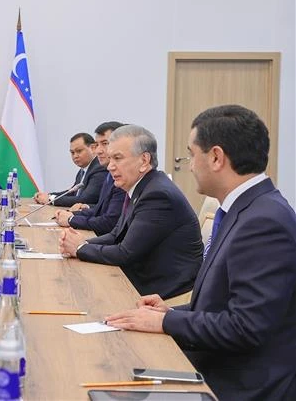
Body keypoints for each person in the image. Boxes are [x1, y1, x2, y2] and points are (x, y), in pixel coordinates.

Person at [105, 105, 296, 400]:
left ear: (216, 157)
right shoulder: (244, 209)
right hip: (216, 362)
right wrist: (170, 312)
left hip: (238, 383)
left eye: (192, 154)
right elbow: (225, 306)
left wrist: (166, 322)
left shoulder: (264, 221)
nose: (190, 165)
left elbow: (246, 327)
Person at [59, 125, 202, 299]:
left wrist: (80, 248)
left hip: (165, 296)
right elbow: (115, 235)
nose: (110, 166)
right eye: (110, 159)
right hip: (143, 282)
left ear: (144, 161)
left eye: (117, 158)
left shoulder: (157, 195)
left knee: (78, 294)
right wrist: (83, 243)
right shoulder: (143, 187)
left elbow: (126, 253)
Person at [53, 121, 125, 236]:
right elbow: (101, 210)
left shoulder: (118, 177)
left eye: (105, 143)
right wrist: (74, 214)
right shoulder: (109, 175)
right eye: (97, 145)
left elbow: (109, 222)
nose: (98, 151)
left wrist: (71, 219)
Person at [33, 133, 106, 207]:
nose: (75, 156)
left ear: (93, 148)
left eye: (79, 151)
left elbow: (85, 199)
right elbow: (72, 192)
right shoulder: (83, 170)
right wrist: (49, 195)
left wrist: (51, 199)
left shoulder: (99, 169)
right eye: (72, 152)